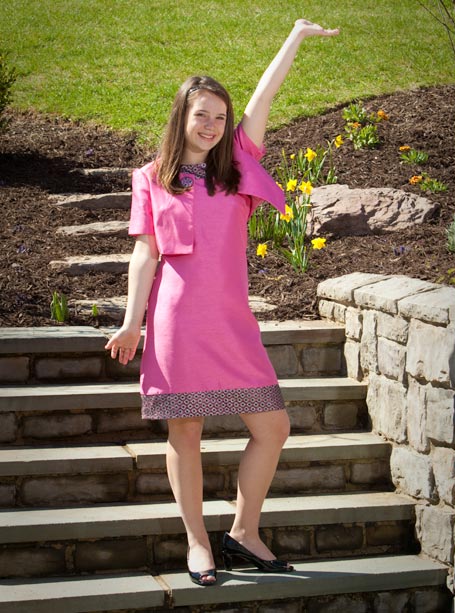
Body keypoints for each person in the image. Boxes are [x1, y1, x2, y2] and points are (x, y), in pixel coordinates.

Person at [105, 19, 339, 586]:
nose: (210, 125)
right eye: (200, 115)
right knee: (185, 433)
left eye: (219, 116)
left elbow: (265, 97)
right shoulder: (151, 178)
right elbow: (145, 255)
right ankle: (198, 543)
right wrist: (131, 322)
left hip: (233, 322)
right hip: (177, 322)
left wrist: (295, 36)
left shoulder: (237, 163)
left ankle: (244, 532)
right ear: (181, 118)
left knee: (273, 427)